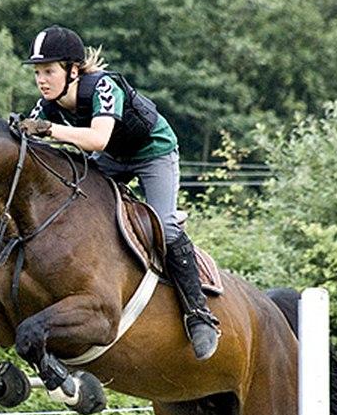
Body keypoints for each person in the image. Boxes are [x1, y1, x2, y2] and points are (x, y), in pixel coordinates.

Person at [18, 24, 220, 360]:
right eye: (37, 72)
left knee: (165, 226)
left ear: (72, 70)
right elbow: (32, 140)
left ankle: (199, 315)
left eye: (49, 71)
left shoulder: (103, 87)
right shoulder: (47, 105)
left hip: (153, 152)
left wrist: (49, 130)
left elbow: (98, 139)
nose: (41, 80)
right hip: (113, 159)